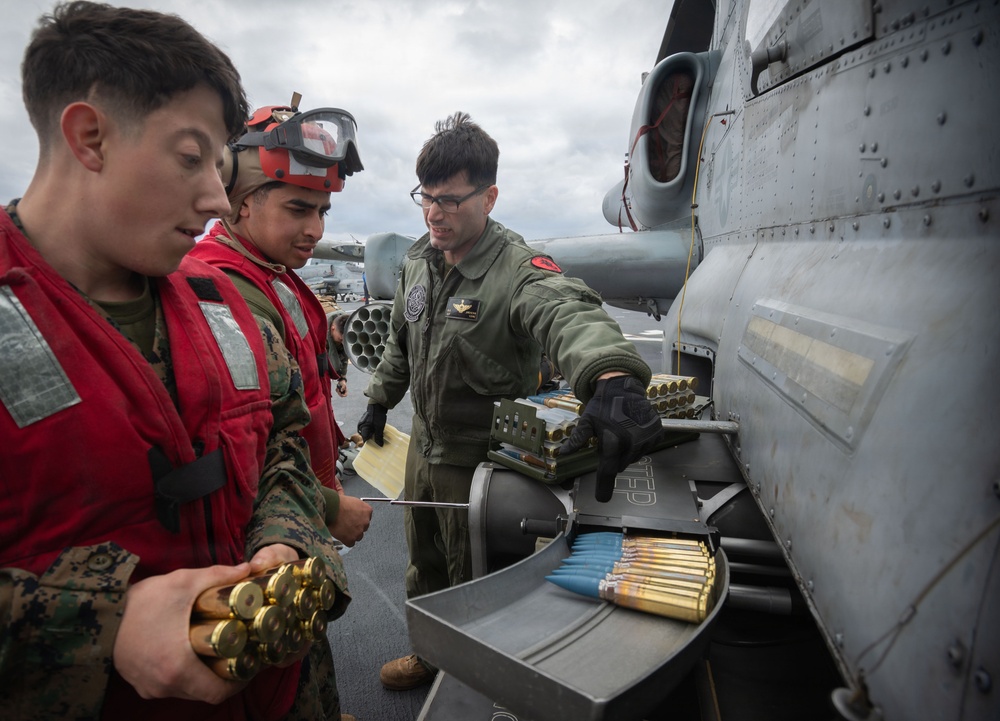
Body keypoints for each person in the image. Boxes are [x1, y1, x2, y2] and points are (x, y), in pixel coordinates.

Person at [0, 3, 350, 719]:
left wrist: (284, 535)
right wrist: (103, 624)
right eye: (192, 158)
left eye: (220, 166)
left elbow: (283, 439)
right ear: (88, 137)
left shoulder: (221, 303)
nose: (219, 199)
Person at [357, 112, 663, 691]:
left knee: (479, 576)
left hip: (482, 460)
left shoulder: (515, 269)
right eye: (425, 198)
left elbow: (564, 309)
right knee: (423, 562)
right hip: (424, 447)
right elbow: (401, 340)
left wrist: (614, 374)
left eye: (449, 199)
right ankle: (430, 652)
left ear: (489, 196)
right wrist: (378, 401)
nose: (433, 213)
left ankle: (476, 681)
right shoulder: (419, 262)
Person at [189, 99, 372, 548]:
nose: (316, 229)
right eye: (298, 209)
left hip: (304, 500)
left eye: (322, 211)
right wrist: (327, 507)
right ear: (243, 202)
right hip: (267, 532)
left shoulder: (272, 273)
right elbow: (245, 446)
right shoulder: (222, 293)